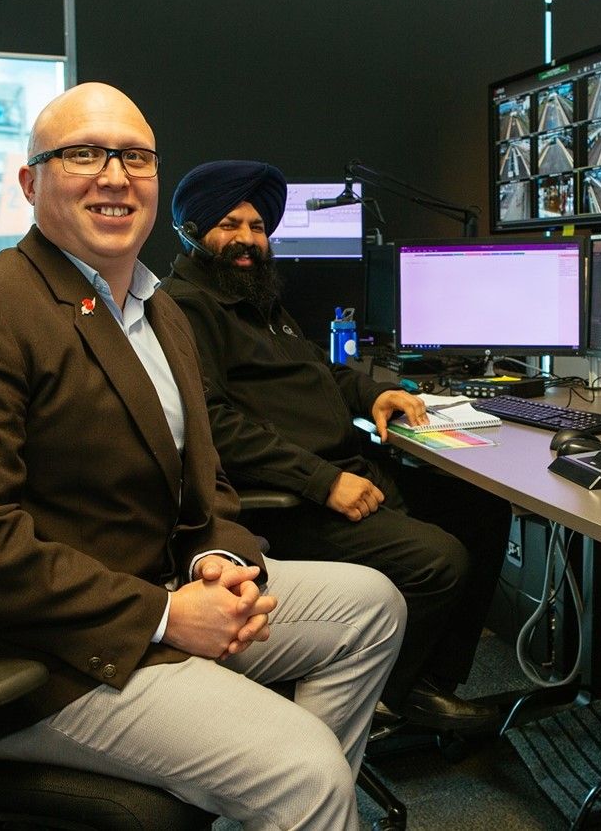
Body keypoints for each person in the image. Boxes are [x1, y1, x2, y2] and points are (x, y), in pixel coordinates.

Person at [0, 83, 405, 829]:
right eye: (83, 154)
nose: (114, 175)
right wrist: (165, 614)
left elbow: (210, 482)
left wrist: (217, 560)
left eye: (134, 157)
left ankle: (276, 804)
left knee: (371, 609)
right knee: (307, 770)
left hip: (157, 591)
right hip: (39, 656)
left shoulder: (157, 309)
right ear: (31, 183)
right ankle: (295, 793)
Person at [161, 160, 512, 732]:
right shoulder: (185, 308)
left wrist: (375, 392)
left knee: (483, 511)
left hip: (348, 470)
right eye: (230, 224)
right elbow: (215, 425)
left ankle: (425, 682)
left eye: (257, 226)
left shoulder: (257, 301)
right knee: (439, 561)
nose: (247, 239)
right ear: (193, 231)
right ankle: (385, 695)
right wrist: (323, 483)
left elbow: (320, 371)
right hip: (293, 497)